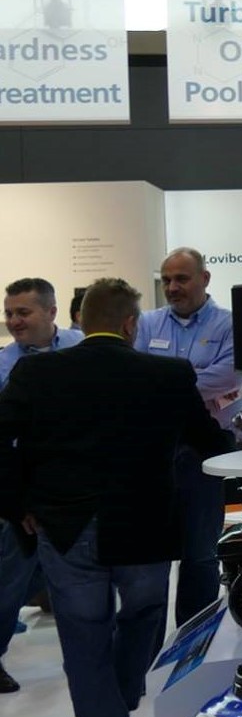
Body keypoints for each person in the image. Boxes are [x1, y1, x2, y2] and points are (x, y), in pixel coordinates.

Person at [0, 277, 230, 717]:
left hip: (65, 526)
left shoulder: (35, 373)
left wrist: (19, 505)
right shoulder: (167, 375)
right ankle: (125, 687)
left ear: (81, 322)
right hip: (144, 526)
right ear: (131, 325)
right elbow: (209, 443)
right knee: (145, 611)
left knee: (83, 637)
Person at [136, 248, 241, 626]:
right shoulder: (147, 324)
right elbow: (135, 375)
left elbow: (228, 377)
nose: (172, 287)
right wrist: (187, 384)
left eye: (181, 278)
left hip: (204, 449)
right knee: (153, 553)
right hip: (154, 452)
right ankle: (152, 646)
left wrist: (164, 385)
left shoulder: (229, 325)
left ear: (205, 278)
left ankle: (194, 636)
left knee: (201, 553)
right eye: (166, 280)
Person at [0, 277, 85, 694]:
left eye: (23, 312)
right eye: (9, 313)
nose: (14, 321)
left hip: (82, 482)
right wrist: (17, 503)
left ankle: (91, 660)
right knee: (9, 576)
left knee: (86, 577)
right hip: (25, 486)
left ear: (51, 312)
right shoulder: (3, 365)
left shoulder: (82, 349)